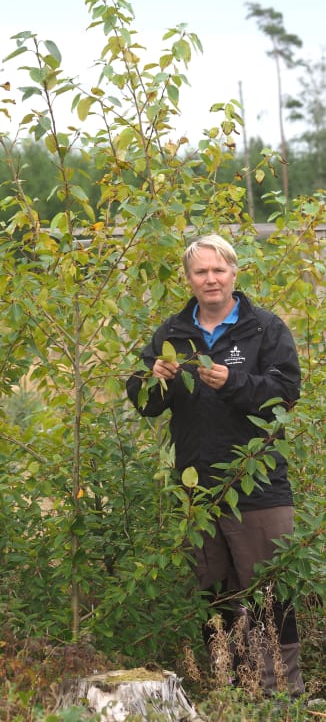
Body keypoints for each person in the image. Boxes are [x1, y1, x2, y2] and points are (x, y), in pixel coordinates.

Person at [126, 234, 305, 697]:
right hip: (198, 492)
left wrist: (234, 382)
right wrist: (150, 379)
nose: (210, 278)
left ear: (234, 273)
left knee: (272, 594)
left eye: (218, 269)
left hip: (258, 485)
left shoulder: (265, 328)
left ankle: (280, 697)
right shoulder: (172, 334)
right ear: (188, 279)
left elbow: (285, 394)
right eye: (201, 271)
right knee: (217, 597)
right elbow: (147, 404)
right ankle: (233, 689)